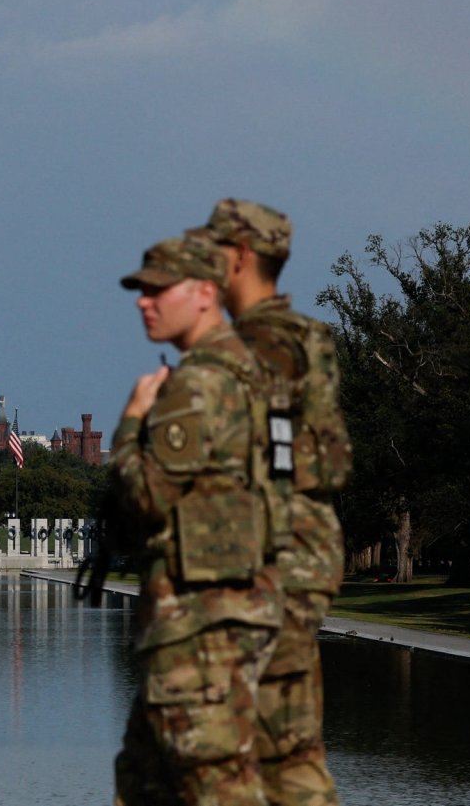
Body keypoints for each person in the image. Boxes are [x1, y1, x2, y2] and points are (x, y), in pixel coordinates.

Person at [110, 235, 282, 806]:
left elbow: (146, 500)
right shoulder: (253, 373)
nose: (143, 302)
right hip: (228, 619)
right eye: (140, 291)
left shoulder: (196, 386)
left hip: (196, 633)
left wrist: (131, 424)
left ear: (206, 293)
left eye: (158, 290)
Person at [194, 199, 350, 806]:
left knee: (260, 750)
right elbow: (329, 459)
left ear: (240, 256)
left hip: (269, 559)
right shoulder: (309, 338)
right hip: (302, 550)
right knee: (289, 743)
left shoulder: (252, 349)